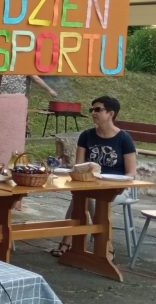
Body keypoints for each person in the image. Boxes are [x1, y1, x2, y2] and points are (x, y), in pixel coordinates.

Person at [52, 95, 137, 257]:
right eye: (92, 109)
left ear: (111, 114)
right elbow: (78, 166)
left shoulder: (124, 139)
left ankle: (69, 243)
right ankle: (104, 245)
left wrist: (118, 184)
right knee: (82, 196)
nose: (93, 113)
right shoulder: (86, 135)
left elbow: (131, 172)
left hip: (116, 189)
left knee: (83, 198)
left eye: (98, 109)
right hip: (90, 185)